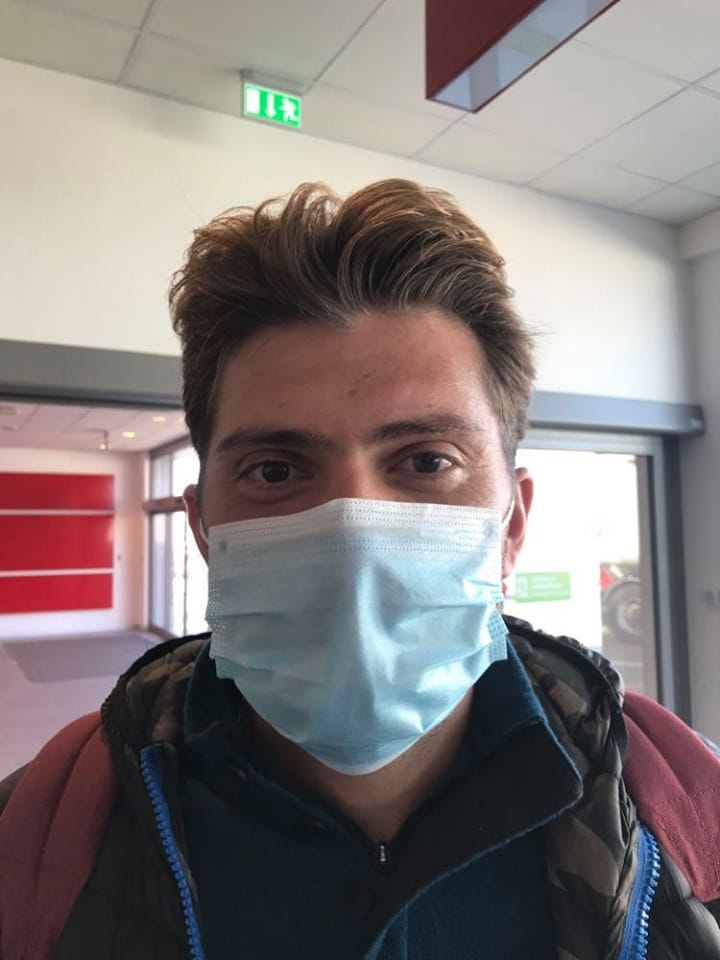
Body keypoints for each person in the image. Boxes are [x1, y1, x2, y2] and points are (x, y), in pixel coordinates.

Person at [1, 180, 719, 960]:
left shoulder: (690, 818)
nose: (352, 531)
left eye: (426, 461)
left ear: (511, 524)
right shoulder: (36, 837)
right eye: (275, 471)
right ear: (204, 529)